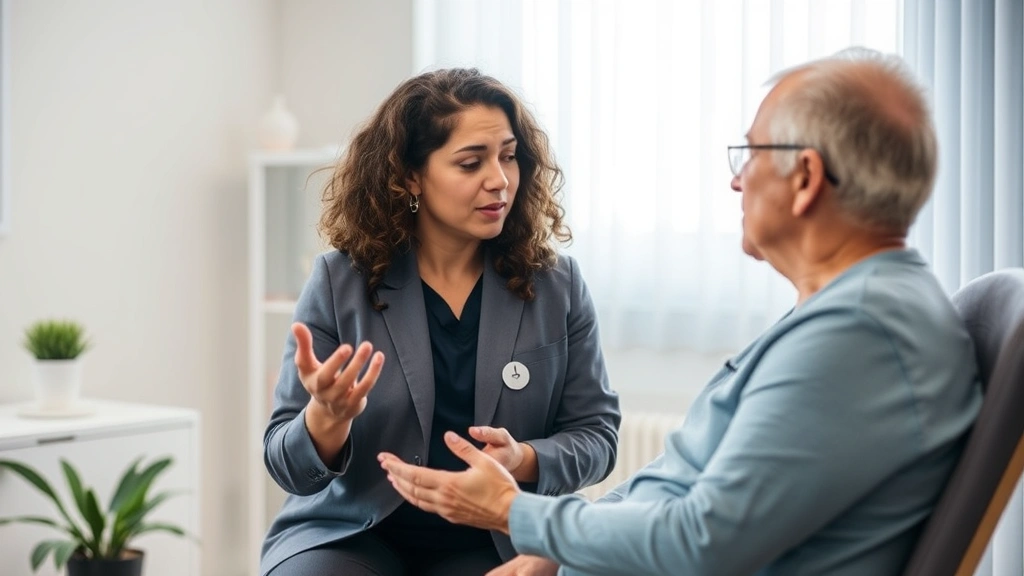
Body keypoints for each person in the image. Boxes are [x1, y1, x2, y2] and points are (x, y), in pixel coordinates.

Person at [379, 48, 983, 576]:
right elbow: (683, 491)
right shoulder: (849, 314)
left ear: (804, 178)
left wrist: (515, 510)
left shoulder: (857, 336)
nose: (737, 181)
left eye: (750, 153)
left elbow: (702, 542)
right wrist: (560, 549)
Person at [260, 68, 621, 576]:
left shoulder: (556, 286)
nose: (499, 179)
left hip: (491, 540)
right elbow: (286, 465)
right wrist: (327, 417)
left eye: (509, 156)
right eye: (471, 162)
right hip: (350, 533)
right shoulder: (339, 281)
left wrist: (524, 459)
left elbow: (597, 436)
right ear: (410, 176)